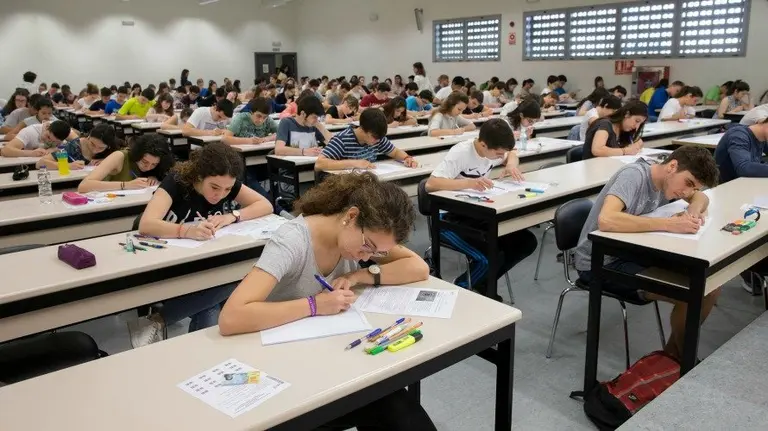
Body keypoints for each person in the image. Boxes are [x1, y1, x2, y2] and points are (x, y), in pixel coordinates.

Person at [217, 171, 436, 431]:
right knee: (386, 403)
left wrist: (359, 275)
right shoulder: (293, 240)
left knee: (393, 403)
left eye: (379, 253)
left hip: (331, 356)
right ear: (351, 216)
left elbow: (418, 267)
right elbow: (231, 318)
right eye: (368, 246)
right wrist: (314, 305)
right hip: (281, 368)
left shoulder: (366, 237)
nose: (368, 256)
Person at [574, 146, 721, 361]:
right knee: (694, 294)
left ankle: (673, 355)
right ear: (672, 166)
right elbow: (607, 220)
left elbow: (702, 198)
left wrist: (692, 211)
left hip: (634, 252)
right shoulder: (634, 176)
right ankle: (683, 360)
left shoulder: (671, 182)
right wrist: (669, 224)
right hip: (600, 261)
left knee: (711, 287)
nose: (687, 192)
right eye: (688, 184)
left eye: (694, 187)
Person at [133, 142, 273, 347]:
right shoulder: (177, 181)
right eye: (214, 187)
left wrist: (233, 216)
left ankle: (158, 321)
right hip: (169, 261)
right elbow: (146, 224)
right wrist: (186, 231)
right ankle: (190, 345)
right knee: (237, 282)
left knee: (216, 301)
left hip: (206, 259)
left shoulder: (225, 181)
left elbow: (265, 205)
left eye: (227, 189)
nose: (220, 194)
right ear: (199, 176)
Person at [426, 119, 537, 298]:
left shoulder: (493, 150)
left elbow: (512, 153)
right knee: (489, 256)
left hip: (477, 213)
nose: (500, 156)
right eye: (498, 153)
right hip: (448, 220)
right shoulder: (461, 152)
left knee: (526, 242)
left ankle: (482, 282)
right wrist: (469, 182)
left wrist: (511, 163)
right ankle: (462, 286)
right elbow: (430, 184)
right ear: (483, 144)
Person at [315, 109, 418, 172]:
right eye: (373, 137)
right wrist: (354, 163)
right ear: (362, 129)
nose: (377, 141)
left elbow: (394, 152)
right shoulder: (342, 140)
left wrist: (407, 158)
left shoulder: (377, 137)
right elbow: (319, 164)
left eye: (379, 139)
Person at [79, 133, 174, 193]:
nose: (148, 167)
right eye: (144, 161)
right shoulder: (120, 156)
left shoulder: (161, 163)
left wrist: (155, 176)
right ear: (137, 154)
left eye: (154, 164)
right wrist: (126, 185)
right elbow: (84, 186)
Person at [583, 100, 648, 159]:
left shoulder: (625, 129)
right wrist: (625, 151)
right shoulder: (605, 124)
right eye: (637, 121)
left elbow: (640, 142)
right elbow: (597, 150)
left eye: (640, 123)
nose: (637, 126)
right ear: (627, 114)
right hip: (594, 167)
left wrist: (636, 146)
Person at [35, 124, 118, 170]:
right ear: (88, 137)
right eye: (92, 144)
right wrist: (67, 166)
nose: (95, 150)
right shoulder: (73, 146)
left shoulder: (112, 147)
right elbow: (40, 163)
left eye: (101, 148)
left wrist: (107, 161)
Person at [714, 115, 768, 183]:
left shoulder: (762, 137)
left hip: (747, 184)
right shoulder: (739, 135)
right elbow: (743, 168)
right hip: (726, 188)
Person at [0, 120, 73, 158]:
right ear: (46, 127)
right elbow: (5, 150)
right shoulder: (29, 131)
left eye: (54, 142)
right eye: (48, 137)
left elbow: (77, 143)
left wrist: (54, 149)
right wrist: (31, 153)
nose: (48, 141)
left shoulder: (63, 133)